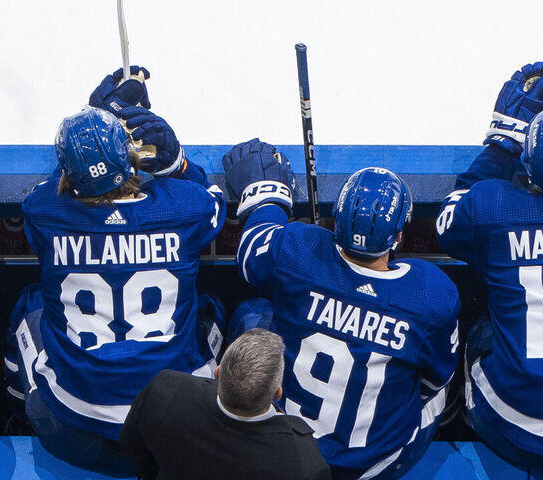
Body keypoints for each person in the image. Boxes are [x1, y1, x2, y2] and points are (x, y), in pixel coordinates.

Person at [4, 67, 226, 474]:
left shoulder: (42, 211)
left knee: (29, 306)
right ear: (131, 157)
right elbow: (211, 199)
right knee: (210, 309)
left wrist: (93, 127)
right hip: (173, 426)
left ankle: (13, 413)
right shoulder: (183, 206)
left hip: (71, 426)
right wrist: (174, 162)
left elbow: (63, 185)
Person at [223, 140, 460, 480]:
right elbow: (435, 380)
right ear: (398, 237)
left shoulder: (299, 251)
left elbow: (251, 251)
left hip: (288, 450)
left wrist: (269, 196)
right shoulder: (431, 293)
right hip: (373, 464)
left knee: (252, 312)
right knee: (435, 381)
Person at [437, 62, 543, 470]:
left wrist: (502, 143)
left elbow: (450, 221)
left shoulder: (494, 206)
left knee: (479, 327)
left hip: (510, 422)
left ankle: (452, 411)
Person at [120, 328, 332, 480]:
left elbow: (133, 445)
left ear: (218, 373)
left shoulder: (166, 391)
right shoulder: (303, 463)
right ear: (278, 392)